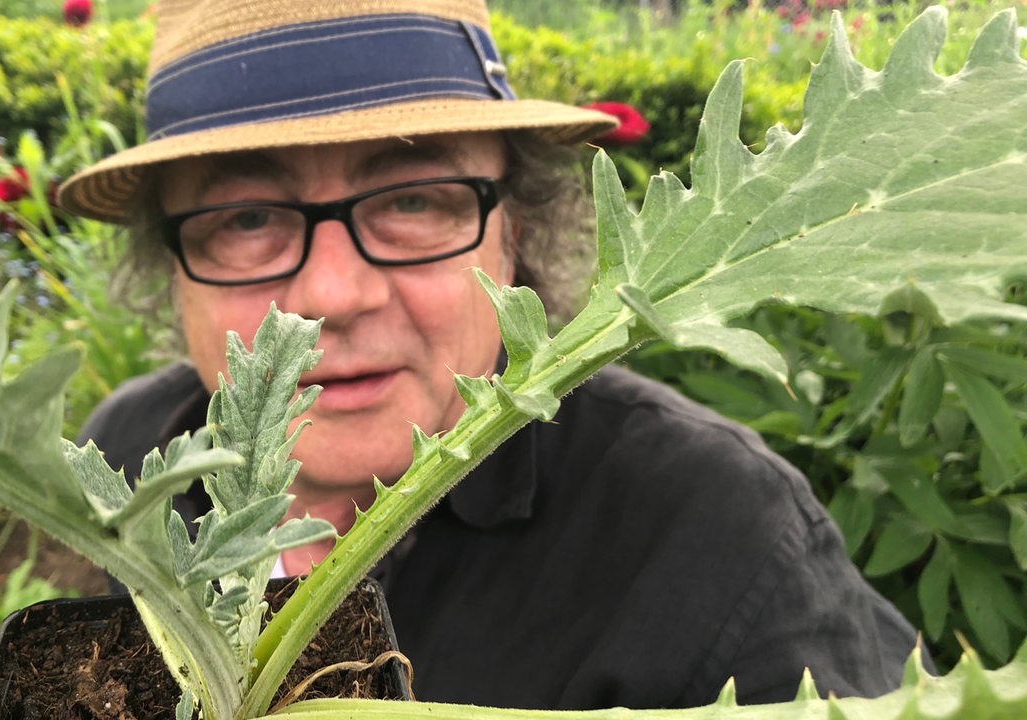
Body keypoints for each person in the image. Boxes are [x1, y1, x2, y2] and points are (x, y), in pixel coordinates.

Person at [58, 0, 927, 710]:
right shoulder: (137, 450)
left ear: (513, 232)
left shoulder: (713, 536)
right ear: (172, 269)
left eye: (415, 199)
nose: (332, 295)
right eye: (245, 218)